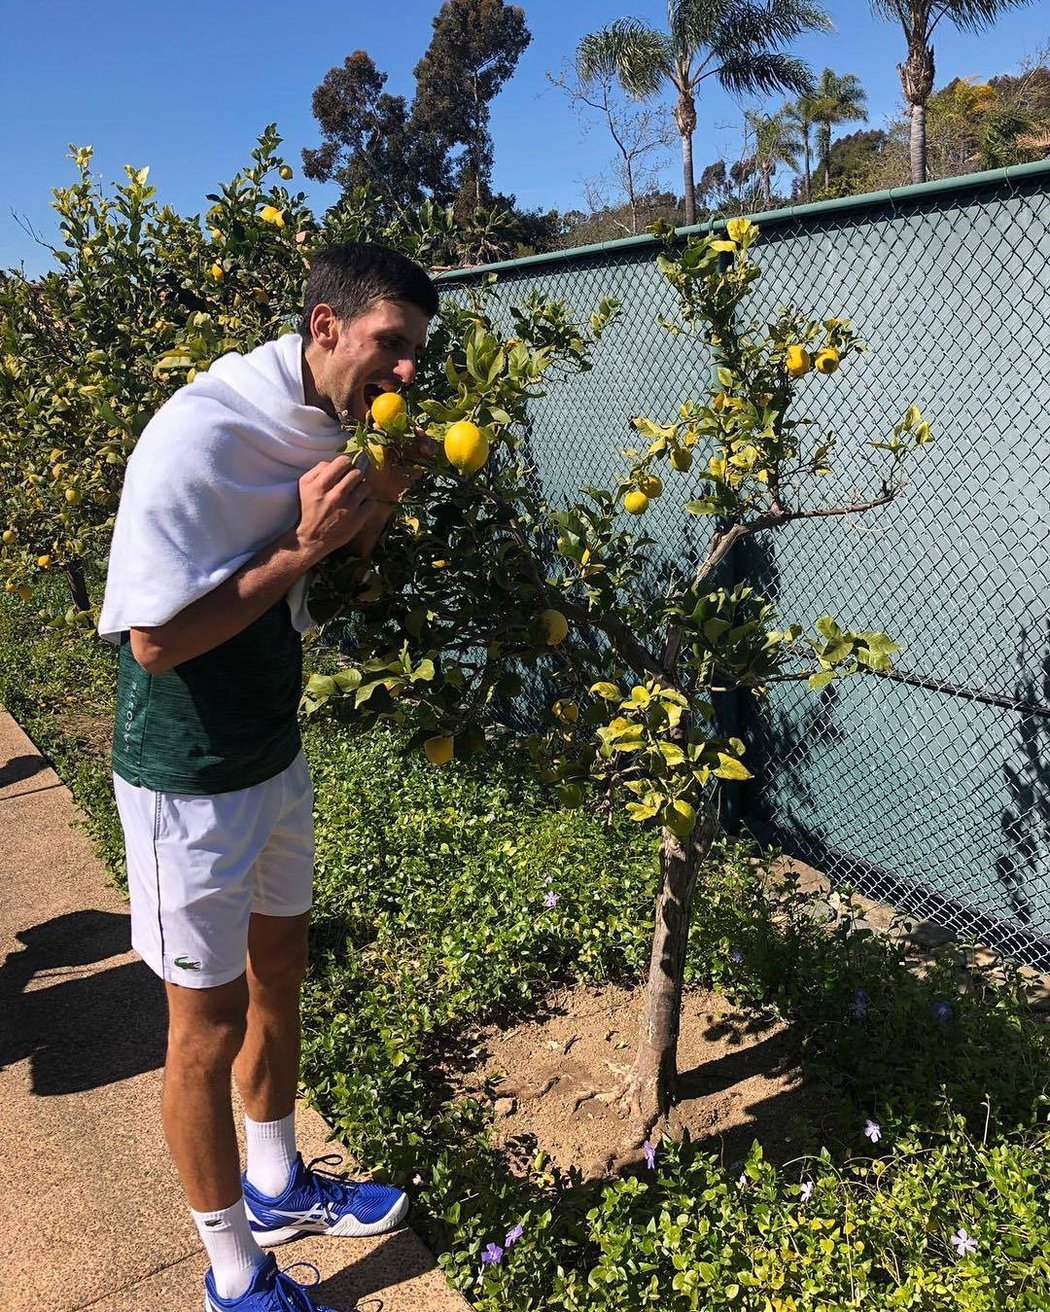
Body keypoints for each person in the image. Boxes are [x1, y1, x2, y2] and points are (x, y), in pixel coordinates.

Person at [98, 242, 438, 1312]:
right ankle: (234, 1272)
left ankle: (279, 1179)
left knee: (279, 973)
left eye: (419, 352)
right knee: (201, 1031)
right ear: (325, 327)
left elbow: (340, 564)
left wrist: (377, 499)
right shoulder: (198, 434)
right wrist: (301, 549)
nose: (407, 373)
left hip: (273, 753)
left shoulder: (329, 419)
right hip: (185, 780)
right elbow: (153, 641)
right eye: (393, 344)